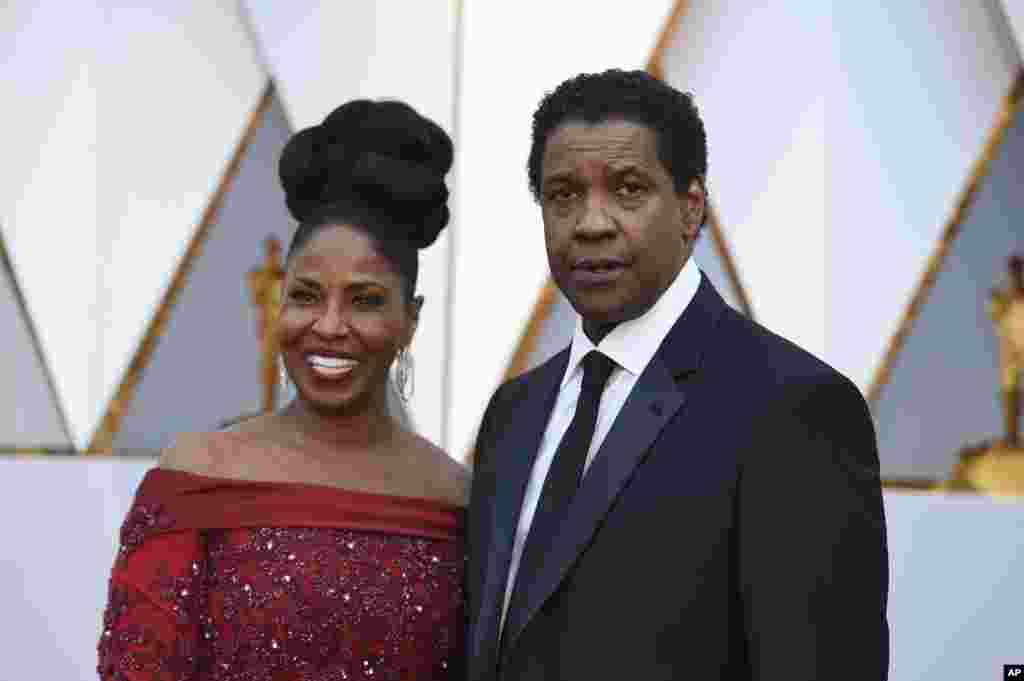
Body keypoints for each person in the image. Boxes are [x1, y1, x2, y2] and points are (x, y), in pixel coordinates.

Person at [465, 69, 889, 681]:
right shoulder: (515, 413)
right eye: (563, 195)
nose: (591, 223)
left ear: (692, 210)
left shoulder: (793, 407)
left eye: (629, 190)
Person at [97, 99, 469, 680]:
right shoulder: (197, 475)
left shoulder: (458, 500)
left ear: (410, 320)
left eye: (366, 300)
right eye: (305, 295)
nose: (328, 325)